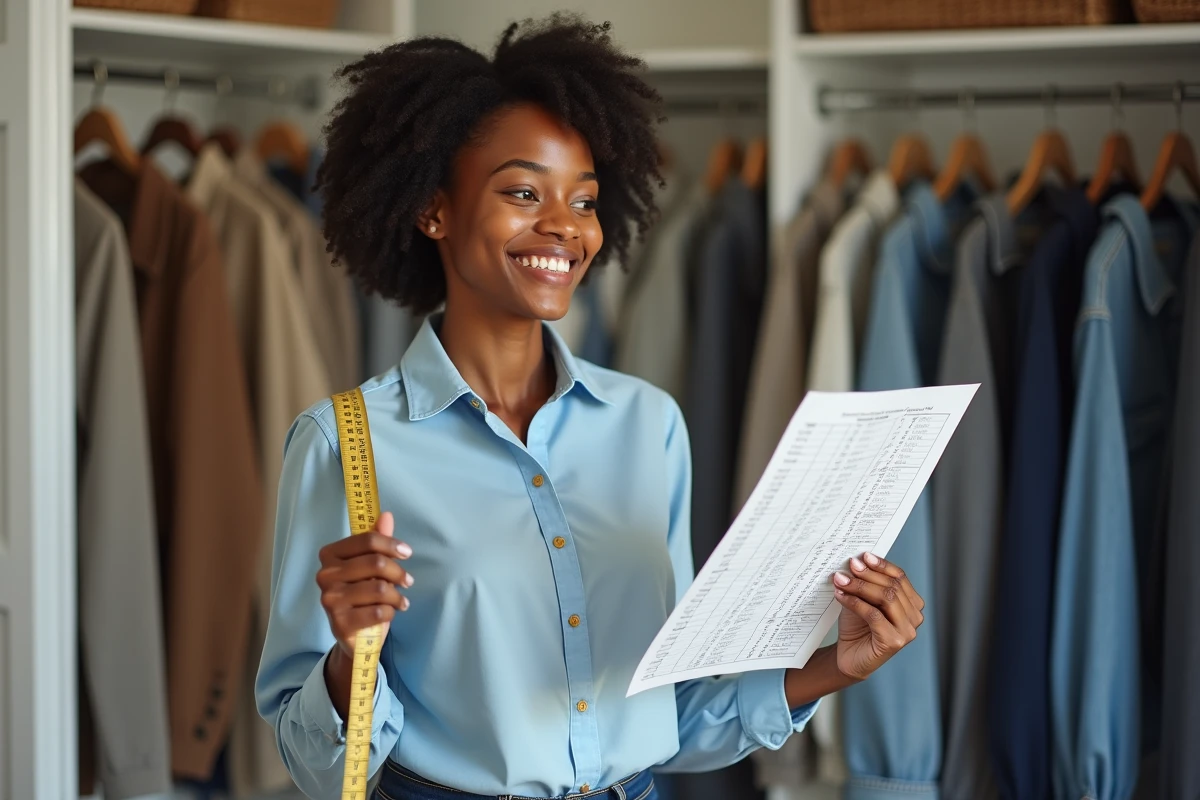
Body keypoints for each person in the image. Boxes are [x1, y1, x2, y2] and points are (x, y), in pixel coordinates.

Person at [256, 14, 926, 800]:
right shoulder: (346, 445)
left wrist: (836, 666)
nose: (564, 228)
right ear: (433, 209)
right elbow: (314, 767)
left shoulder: (648, 426)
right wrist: (349, 659)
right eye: (522, 192)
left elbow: (669, 715)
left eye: (584, 200)